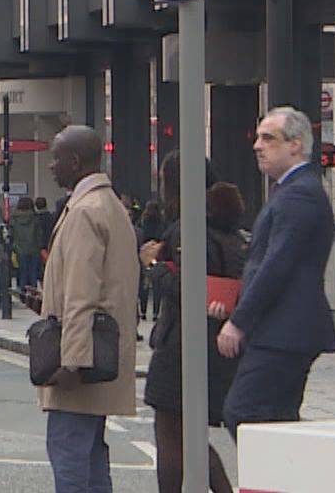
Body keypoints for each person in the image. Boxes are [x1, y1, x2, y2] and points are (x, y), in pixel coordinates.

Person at [23, 125, 137, 493]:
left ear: (75, 161)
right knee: (91, 457)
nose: (51, 165)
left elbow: (82, 295)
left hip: (81, 362)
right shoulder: (110, 207)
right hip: (102, 354)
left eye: (56, 158)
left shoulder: (85, 212)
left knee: (69, 456)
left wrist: (70, 363)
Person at [217, 107, 335, 437]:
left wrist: (239, 321)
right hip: (283, 328)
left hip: (284, 329)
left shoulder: (299, 194)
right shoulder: (292, 190)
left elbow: (277, 264)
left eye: (268, 138)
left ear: (295, 145)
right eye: (258, 137)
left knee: (244, 412)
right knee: (276, 421)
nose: (258, 145)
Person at [142, 159, 247, 493]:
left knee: (172, 436)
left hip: (181, 345)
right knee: (192, 439)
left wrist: (154, 265)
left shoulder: (188, 227)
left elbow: (188, 287)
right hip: (213, 342)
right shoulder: (226, 230)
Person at [13, 195, 45, 293]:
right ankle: (33, 291)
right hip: (34, 249)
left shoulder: (14, 219)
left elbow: (12, 234)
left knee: (23, 271)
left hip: (20, 249)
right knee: (33, 273)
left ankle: (23, 290)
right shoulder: (35, 218)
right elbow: (39, 235)